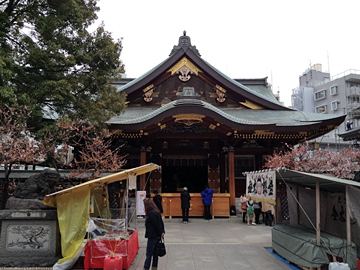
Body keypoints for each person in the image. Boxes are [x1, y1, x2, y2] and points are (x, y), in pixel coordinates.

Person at [143, 199, 165, 270]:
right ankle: (154, 267)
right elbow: (161, 223)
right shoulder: (157, 212)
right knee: (155, 254)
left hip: (152, 236)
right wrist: (162, 232)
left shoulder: (151, 214)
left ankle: (146, 267)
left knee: (149, 254)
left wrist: (159, 232)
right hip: (157, 236)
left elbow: (155, 225)